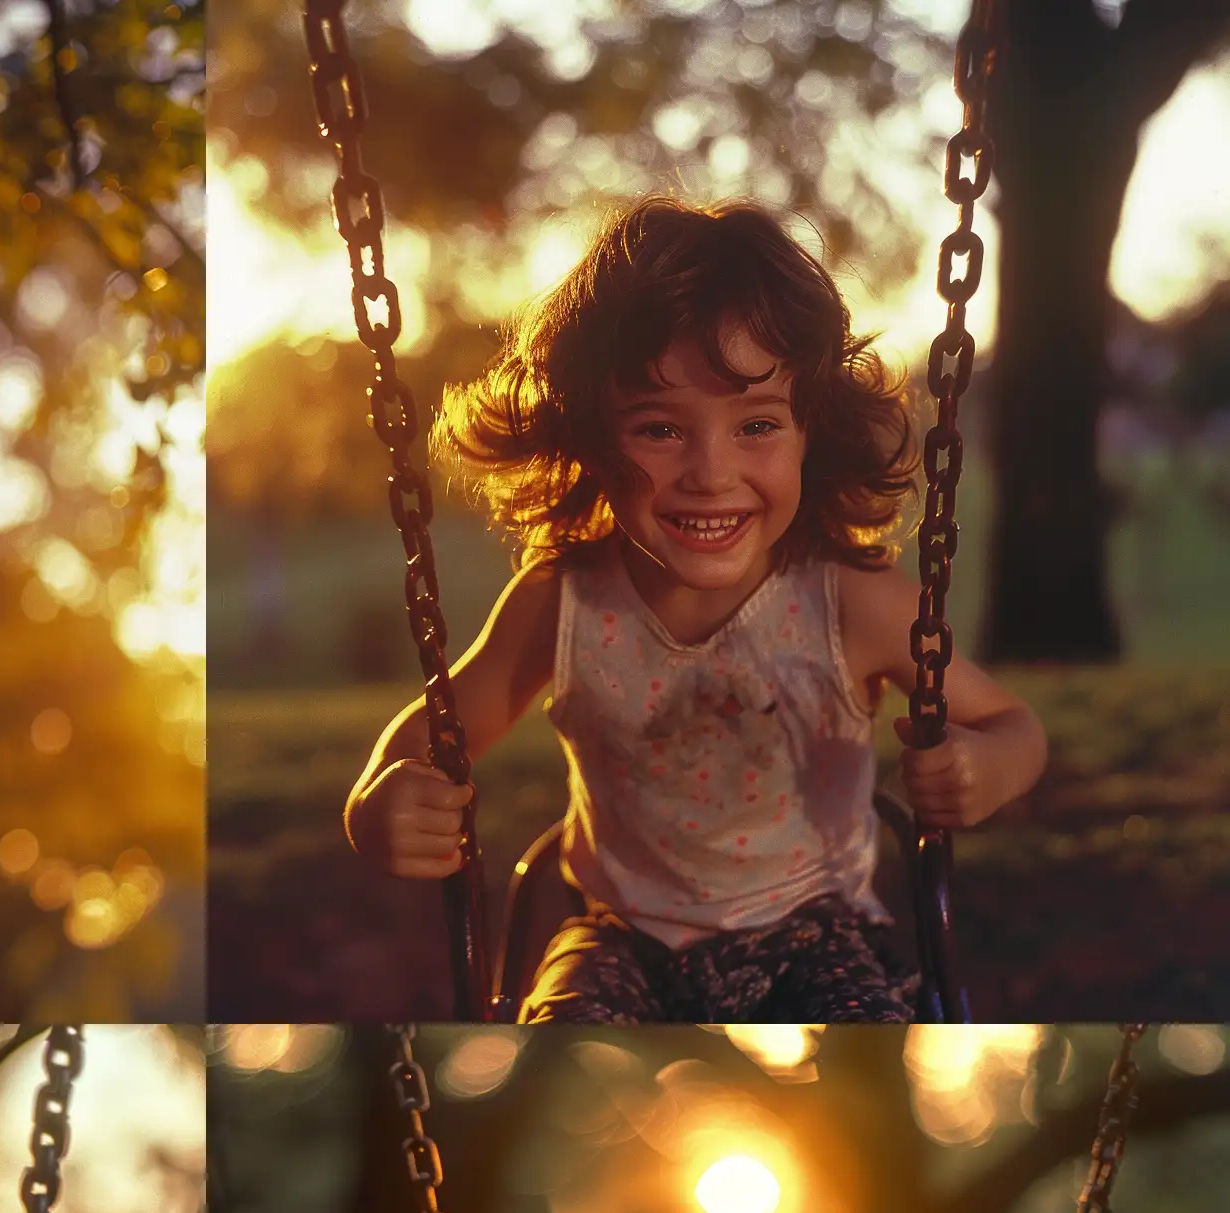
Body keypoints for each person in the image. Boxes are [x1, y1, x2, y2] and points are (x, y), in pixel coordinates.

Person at [345, 198, 1047, 1022]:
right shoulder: (560, 599)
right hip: (617, 935)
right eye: (658, 429)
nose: (710, 473)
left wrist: (990, 770)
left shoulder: (853, 604)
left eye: (755, 424)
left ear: (811, 433)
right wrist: (381, 800)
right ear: (590, 438)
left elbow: (1013, 726)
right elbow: (435, 734)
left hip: (811, 929)